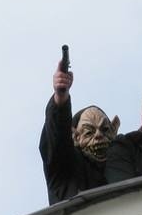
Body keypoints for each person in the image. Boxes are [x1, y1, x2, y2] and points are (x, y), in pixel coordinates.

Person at [39, 60, 120, 204]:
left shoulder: (125, 163)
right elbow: (57, 139)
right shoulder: (66, 167)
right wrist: (60, 97)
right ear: (75, 136)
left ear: (114, 130)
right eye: (89, 132)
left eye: (105, 129)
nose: (99, 135)